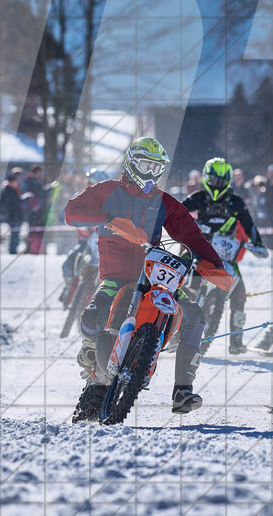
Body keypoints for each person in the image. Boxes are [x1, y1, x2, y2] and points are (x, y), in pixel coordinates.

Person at [64, 137, 233, 417]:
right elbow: (71, 212)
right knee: (92, 317)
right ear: (131, 163)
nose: (150, 173)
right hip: (117, 274)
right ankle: (92, 351)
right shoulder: (107, 191)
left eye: (156, 168)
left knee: (194, 315)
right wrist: (109, 220)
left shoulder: (163, 201)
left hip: (155, 275)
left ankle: (183, 390)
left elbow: (192, 235)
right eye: (145, 165)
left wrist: (214, 265)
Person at [181, 157, 269, 355]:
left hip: (225, 252)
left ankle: (236, 342)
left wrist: (258, 244)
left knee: (240, 293)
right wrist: (188, 225)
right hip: (199, 246)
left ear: (228, 181)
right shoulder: (199, 197)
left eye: (221, 181)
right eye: (214, 180)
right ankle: (168, 321)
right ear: (206, 178)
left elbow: (249, 225)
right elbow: (178, 212)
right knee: (181, 275)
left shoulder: (235, 202)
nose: (217, 185)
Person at [0, 170, 25, 253]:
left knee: (16, 234)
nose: (17, 183)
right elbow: (8, 205)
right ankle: (12, 250)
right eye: (15, 181)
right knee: (14, 235)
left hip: (17, 216)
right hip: (12, 217)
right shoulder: (6, 192)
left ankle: (14, 249)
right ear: (11, 182)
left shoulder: (15, 190)